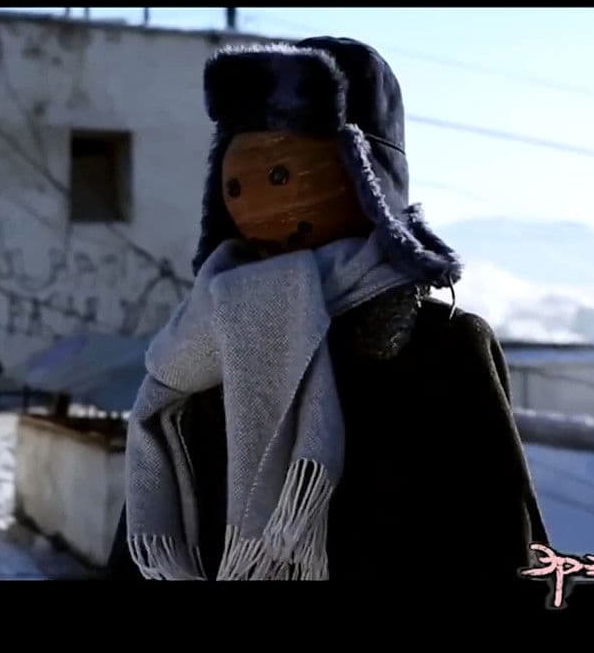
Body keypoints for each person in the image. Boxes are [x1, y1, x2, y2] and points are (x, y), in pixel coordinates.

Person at [107, 37, 549, 589]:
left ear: (368, 181)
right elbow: (142, 541)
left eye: (282, 176)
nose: (258, 202)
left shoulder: (439, 345)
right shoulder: (196, 349)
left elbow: (499, 543)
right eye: (237, 183)